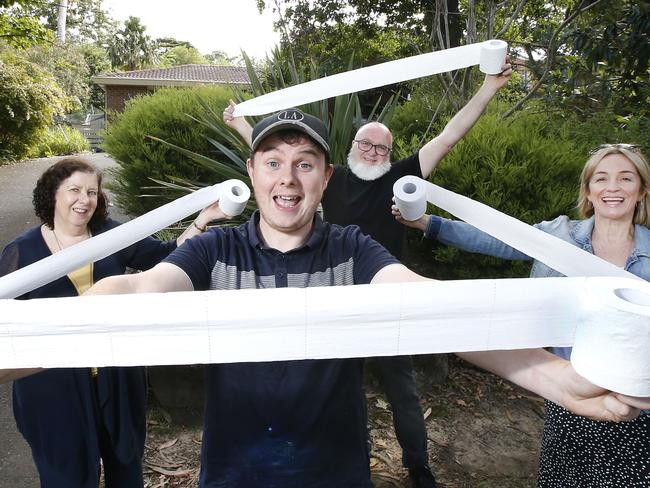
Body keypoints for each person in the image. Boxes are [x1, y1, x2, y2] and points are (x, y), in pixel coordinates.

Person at [76, 112, 647, 488]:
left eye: (304, 165)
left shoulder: (352, 250)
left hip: (336, 469)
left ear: (325, 178)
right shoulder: (216, 251)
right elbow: (146, 286)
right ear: (252, 174)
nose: (289, 178)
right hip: (235, 470)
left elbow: (433, 308)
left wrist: (558, 380)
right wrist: (106, 295)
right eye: (273, 162)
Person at [223, 62, 512, 487]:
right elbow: (274, 157)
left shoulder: (400, 178)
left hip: (388, 303)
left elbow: (449, 137)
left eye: (382, 148)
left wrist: (489, 86)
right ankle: (339, 465)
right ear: (352, 146)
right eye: (366, 144)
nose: (373, 152)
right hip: (331, 302)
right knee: (331, 395)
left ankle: (418, 466)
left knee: (404, 395)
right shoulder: (326, 182)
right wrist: (239, 123)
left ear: (390, 154)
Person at [394, 143, 650, 487]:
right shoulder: (559, 234)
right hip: (572, 387)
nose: (613, 188)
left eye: (625, 178)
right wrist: (428, 223)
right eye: (601, 179)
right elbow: (496, 239)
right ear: (589, 191)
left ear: (641, 190)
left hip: (639, 397)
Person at [0, 157, 227, 488]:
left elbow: (167, 257)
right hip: (51, 386)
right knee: (67, 476)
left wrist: (204, 219)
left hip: (117, 375)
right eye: (74, 190)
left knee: (126, 467)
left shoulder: (113, 235)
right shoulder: (21, 252)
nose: (84, 200)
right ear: (53, 194)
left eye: (92, 192)